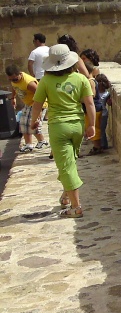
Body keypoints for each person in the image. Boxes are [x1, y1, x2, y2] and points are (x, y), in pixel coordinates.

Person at [31, 44, 95, 218]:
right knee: (69, 161)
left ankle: (76, 207)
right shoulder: (81, 79)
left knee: (66, 165)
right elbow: (89, 103)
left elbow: (37, 105)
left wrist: (34, 121)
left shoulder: (46, 81)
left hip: (58, 126)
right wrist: (92, 125)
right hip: (77, 125)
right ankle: (67, 195)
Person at [5, 63, 49, 152]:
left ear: (20, 74)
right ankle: (29, 144)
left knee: (32, 124)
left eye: (15, 79)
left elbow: (41, 95)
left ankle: (42, 141)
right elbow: (14, 86)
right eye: (11, 79)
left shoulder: (29, 83)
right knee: (23, 123)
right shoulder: (15, 80)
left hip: (37, 104)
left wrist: (39, 111)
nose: (14, 81)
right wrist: (13, 98)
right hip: (28, 103)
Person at [91, 73, 111, 154]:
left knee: (99, 130)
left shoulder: (95, 93)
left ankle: (101, 146)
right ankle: (104, 144)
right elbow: (109, 103)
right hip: (104, 113)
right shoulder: (107, 94)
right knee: (102, 130)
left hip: (98, 113)